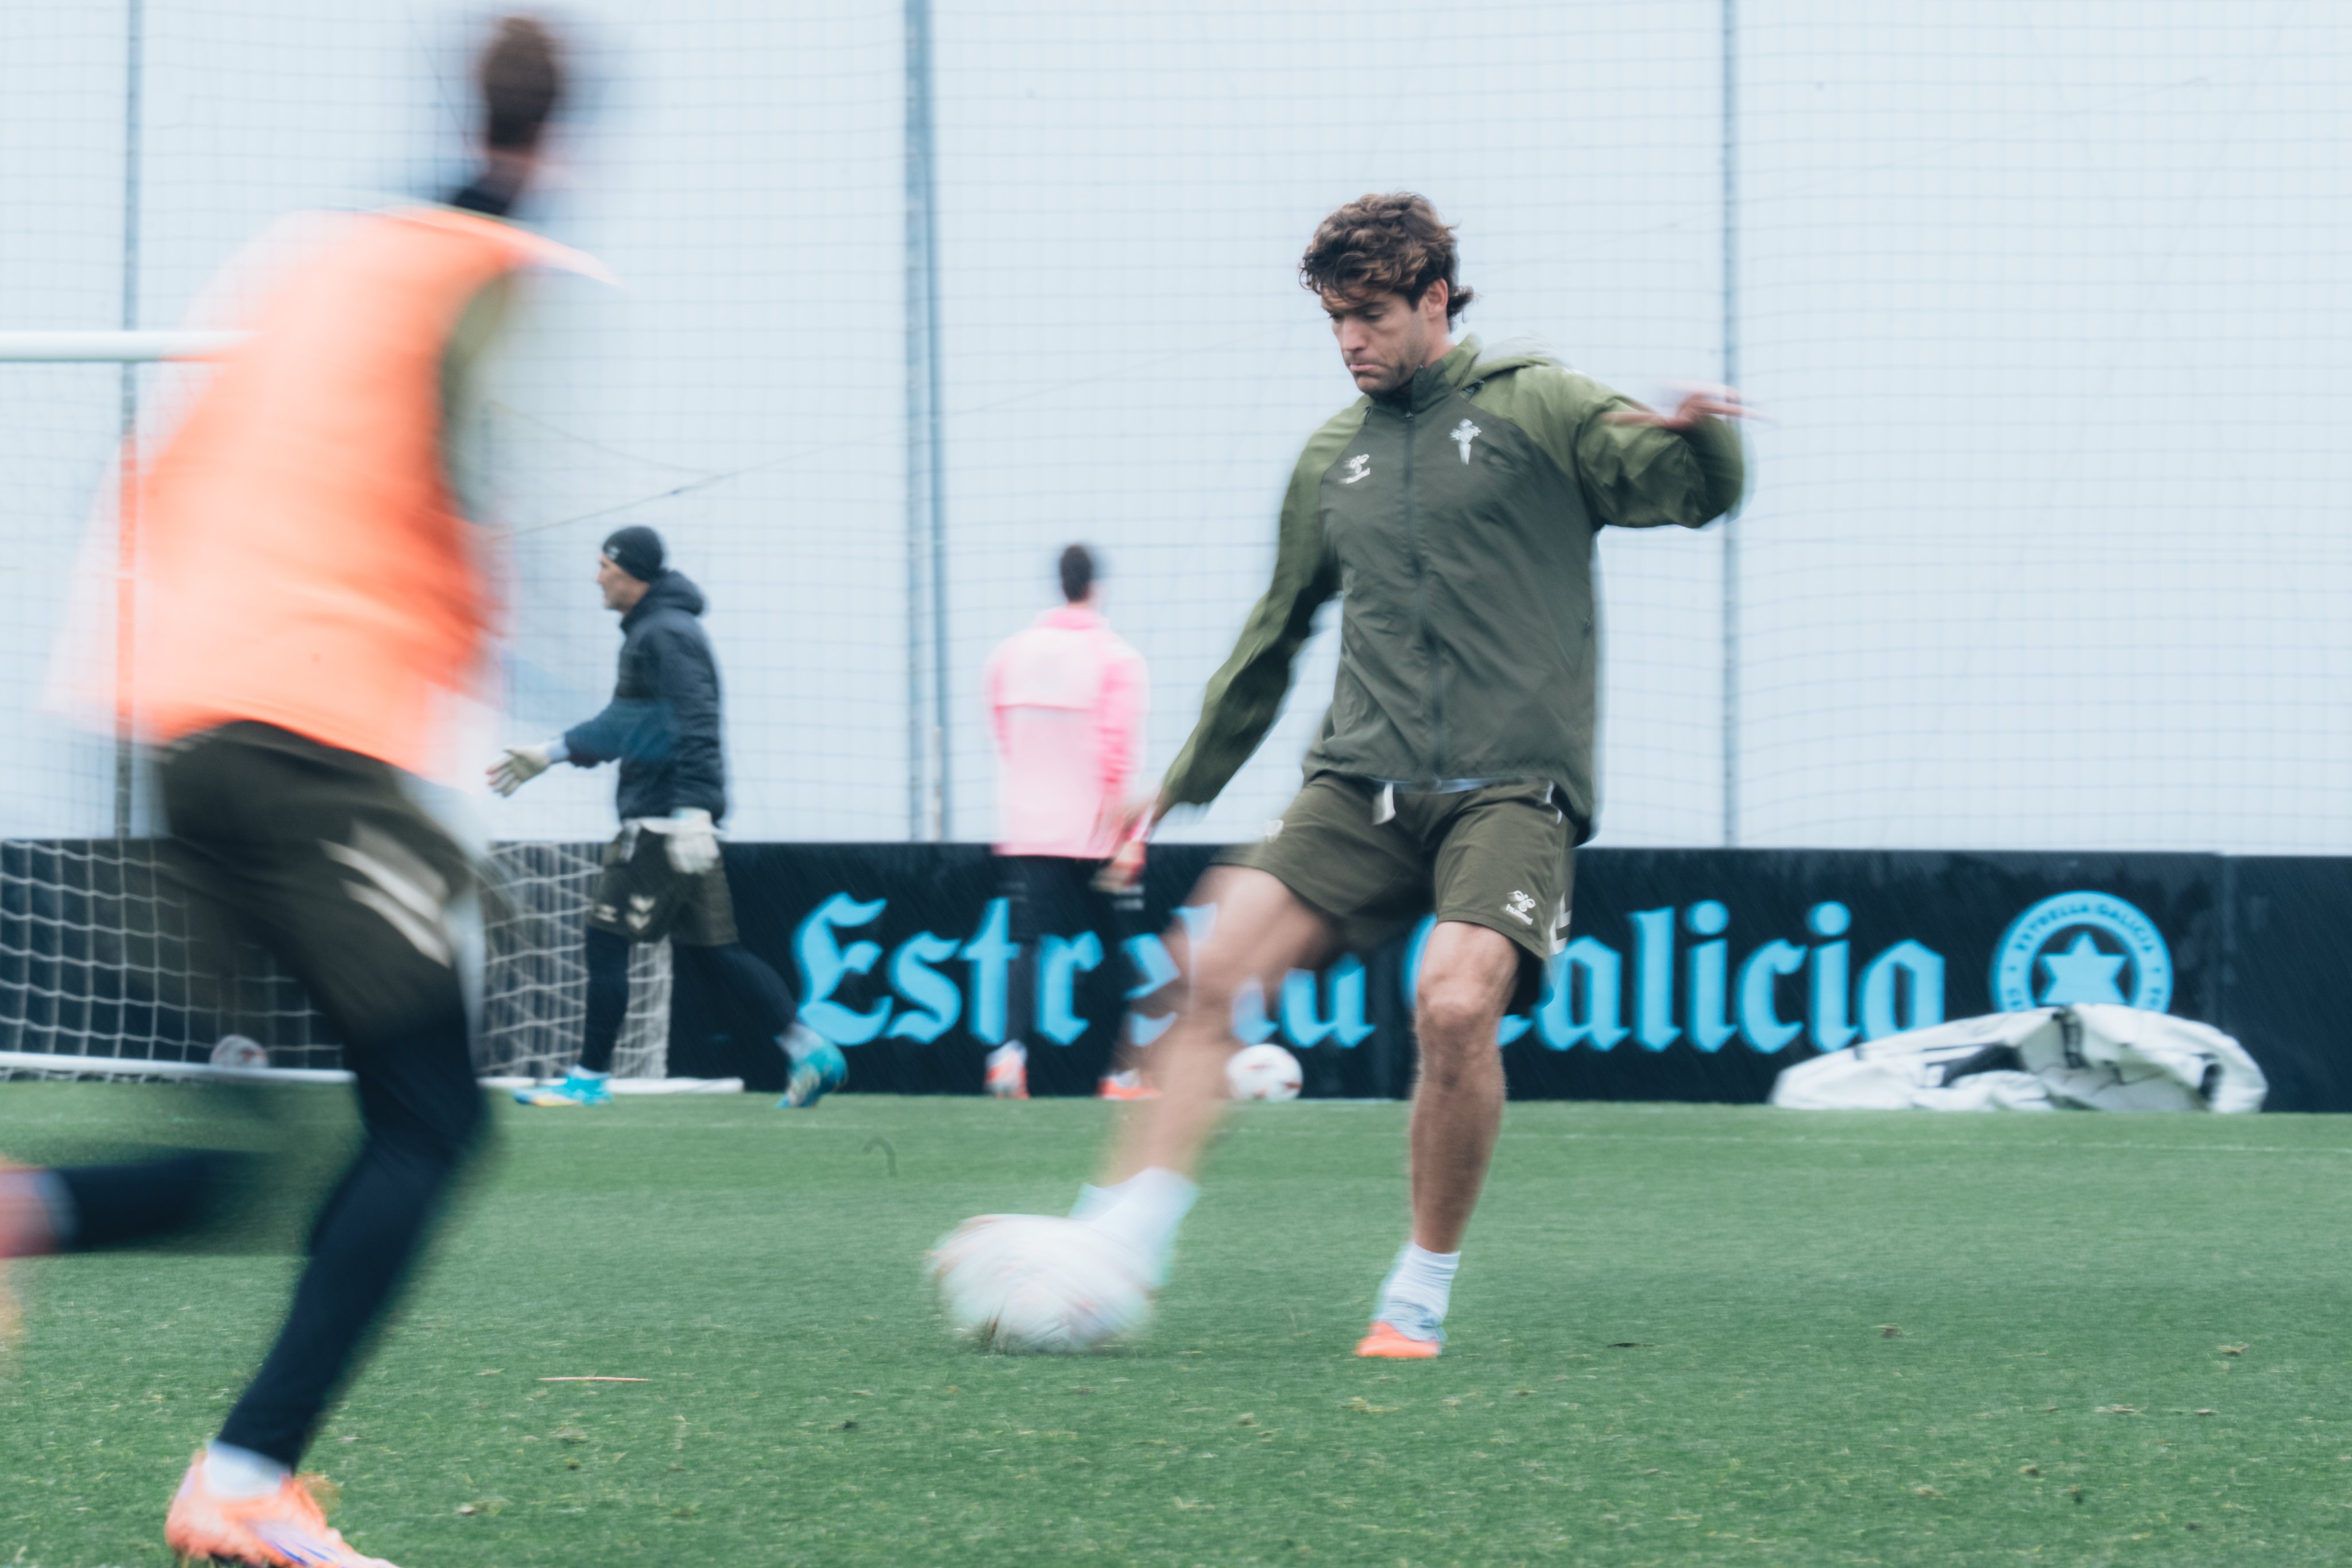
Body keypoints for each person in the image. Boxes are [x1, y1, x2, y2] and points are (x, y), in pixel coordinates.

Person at [941, 192, 1747, 1360]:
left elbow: (1688, 492)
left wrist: (1703, 436)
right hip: (1359, 784)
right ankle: (1114, 1251)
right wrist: (1178, 778)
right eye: (1333, 321)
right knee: (1200, 974)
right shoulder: (1333, 458)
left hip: (1514, 788)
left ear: (1434, 299)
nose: (1349, 341)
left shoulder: (1541, 402)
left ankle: (1417, 1287)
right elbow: (1275, 632)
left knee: (1456, 1005)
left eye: (1369, 314)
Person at [0, 20, 605, 1565]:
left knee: (257, 1151)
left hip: (167, 728)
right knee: (430, 1125)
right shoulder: (480, 271)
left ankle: (25, 1214)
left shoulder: (314, 263)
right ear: (556, 145)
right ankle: (246, 1478)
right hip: (299, 737)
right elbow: (453, 473)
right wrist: (489, 608)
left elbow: (160, 481)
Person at [490, 526, 844, 1109]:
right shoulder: (658, 631)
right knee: (715, 953)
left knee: (606, 942)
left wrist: (696, 810)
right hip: (678, 818)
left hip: (663, 821)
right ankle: (810, 1049)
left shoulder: (666, 633)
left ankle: (587, 1079)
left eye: (604, 565)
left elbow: (697, 718)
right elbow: (624, 726)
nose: (597, 576)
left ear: (631, 573)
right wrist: (548, 753)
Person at [980, 544, 1151, 1099]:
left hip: (1029, 824)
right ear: (1094, 586)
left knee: (1026, 943)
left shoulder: (1008, 654)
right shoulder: (1116, 658)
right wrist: (1130, 835)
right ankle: (1119, 1071)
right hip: (1095, 827)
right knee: (1116, 944)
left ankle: (1008, 1056)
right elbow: (1118, 753)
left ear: (1058, 584)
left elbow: (1001, 732)